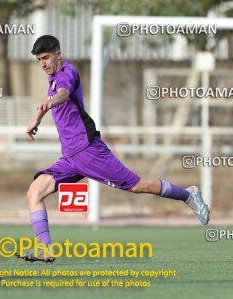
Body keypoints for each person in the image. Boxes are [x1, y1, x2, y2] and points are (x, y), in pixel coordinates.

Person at [18, 35, 210, 262]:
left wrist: (51, 102)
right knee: (34, 192)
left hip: (88, 151)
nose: (43, 63)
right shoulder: (52, 79)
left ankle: (189, 195)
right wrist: (37, 119)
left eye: (46, 58)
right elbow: (51, 98)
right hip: (70, 157)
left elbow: (63, 93)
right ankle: (45, 249)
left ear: (58, 54)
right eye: (39, 59)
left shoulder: (67, 72)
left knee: (138, 185)